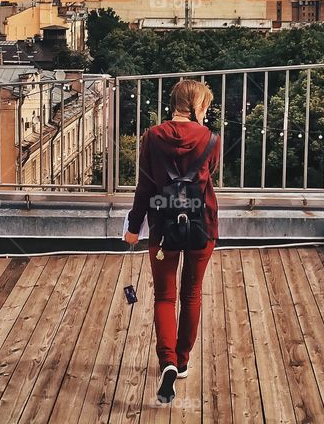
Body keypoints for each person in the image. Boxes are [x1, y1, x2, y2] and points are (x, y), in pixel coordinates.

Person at [124, 79, 220, 405]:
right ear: (195, 106)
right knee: (191, 294)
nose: (205, 112)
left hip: (163, 229)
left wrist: (134, 227)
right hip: (201, 226)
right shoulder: (210, 139)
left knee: (165, 298)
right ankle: (182, 361)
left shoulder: (152, 137)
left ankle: (166, 360)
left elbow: (144, 187)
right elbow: (209, 176)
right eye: (204, 106)